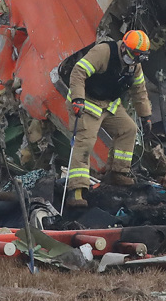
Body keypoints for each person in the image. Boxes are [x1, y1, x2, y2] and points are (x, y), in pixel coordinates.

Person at [64, 30, 154, 208]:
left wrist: (146, 117)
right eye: (133, 55)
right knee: (85, 143)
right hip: (87, 103)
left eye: (139, 57)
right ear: (123, 47)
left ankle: (117, 172)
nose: (135, 60)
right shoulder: (104, 52)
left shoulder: (134, 66)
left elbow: (139, 92)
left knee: (128, 130)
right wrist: (78, 99)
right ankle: (76, 191)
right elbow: (78, 72)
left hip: (109, 104)